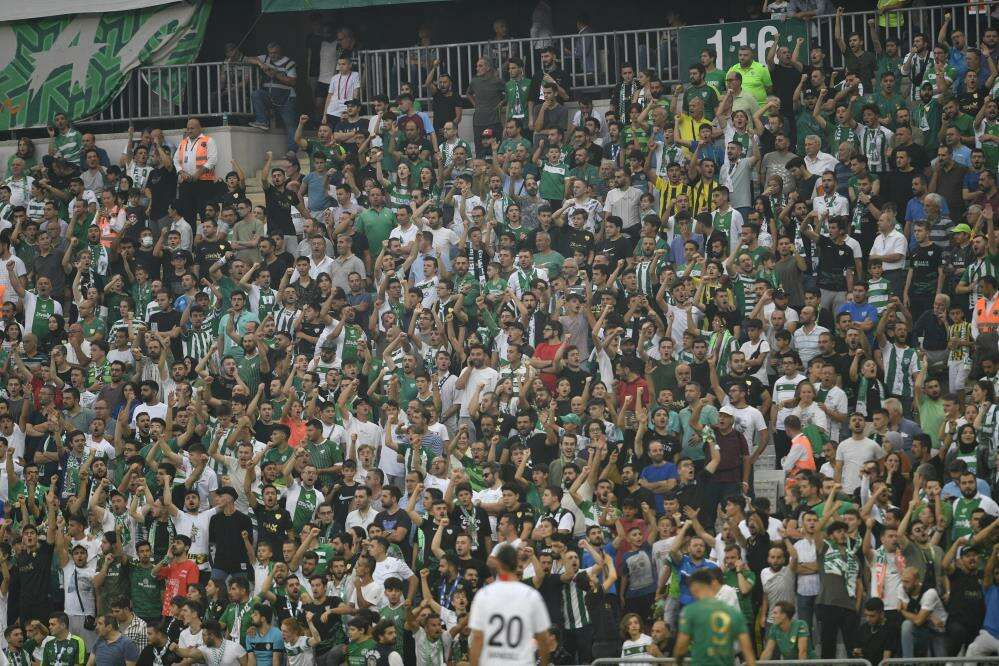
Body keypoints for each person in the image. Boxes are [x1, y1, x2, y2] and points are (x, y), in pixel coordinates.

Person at [468, 544, 551, 665]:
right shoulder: (531, 595)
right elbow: (543, 639)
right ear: (516, 563)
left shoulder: (483, 595)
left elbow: (477, 639)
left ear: (497, 564)